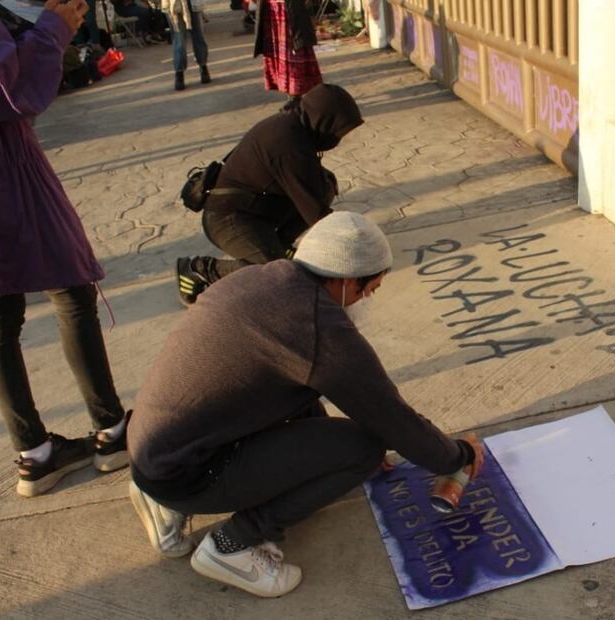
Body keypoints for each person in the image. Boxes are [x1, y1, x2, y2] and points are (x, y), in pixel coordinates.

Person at [128, 211, 485, 597]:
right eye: (370, 289)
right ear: (348, 279)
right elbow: (391, 416)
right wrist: (456, 456)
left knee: (339, 442)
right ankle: (233, 545)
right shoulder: (316, 327)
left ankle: (160, 501)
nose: (366, 299)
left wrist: (321, 450)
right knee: (363, 448)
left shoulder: (262, 279)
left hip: (156, 450)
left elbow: (287, 387)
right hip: (188, 472)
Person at [0, 0, 131, 497]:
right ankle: (111, 433)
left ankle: (36, 453)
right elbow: (3, 87)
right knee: (72, 295)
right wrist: (52, 30)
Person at [174, 83, 362, 306]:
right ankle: (198, 270)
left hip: (256, 208)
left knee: (325, 183)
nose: (338, 139)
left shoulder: (296, 125)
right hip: (226, 218)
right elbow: (317, 213)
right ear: (324, 120)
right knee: (276, 274)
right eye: (338, 130)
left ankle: (277, 245)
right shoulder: (288, 141)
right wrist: (354, 250)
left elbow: (312, 191)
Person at [256, 0, 323, 110]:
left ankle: (296, 95)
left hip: (290, 8)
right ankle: (292, 95)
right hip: (271, 8)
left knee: (294, 50)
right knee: (280, 52)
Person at [159, 0, 210, 91]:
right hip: (173, 4)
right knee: (179, 40)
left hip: (194, 3)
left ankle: (203, 67)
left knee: (199, 36)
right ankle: (179, 73)